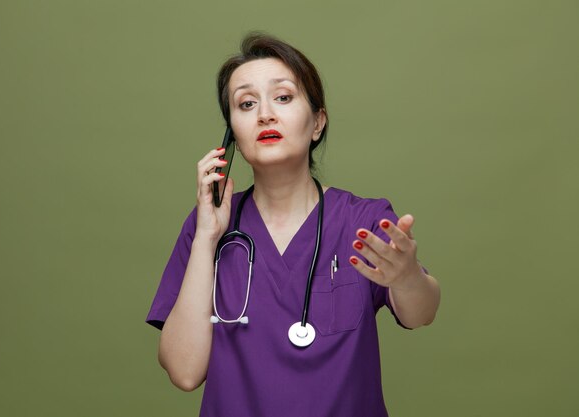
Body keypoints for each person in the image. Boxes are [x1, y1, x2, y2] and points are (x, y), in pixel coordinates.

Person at [146, 33, 441, 417]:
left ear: (317, 123)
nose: (265, 114)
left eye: (283, 97)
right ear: (231, 135)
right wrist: (206, 237)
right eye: (246, 103)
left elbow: (421, 313)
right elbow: (184, 373)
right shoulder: (208, 229)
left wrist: (406, 278)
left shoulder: (361, 220)